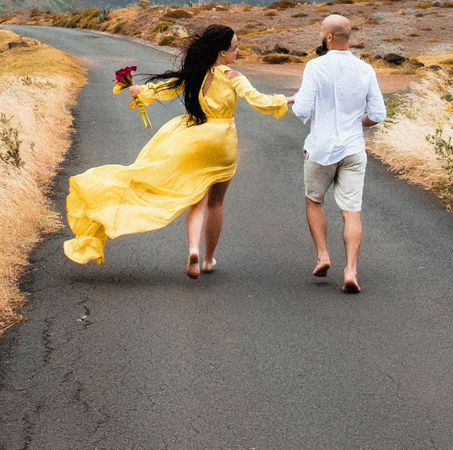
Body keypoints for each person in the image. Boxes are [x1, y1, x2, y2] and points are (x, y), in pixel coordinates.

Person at [62, 23, 293, 277]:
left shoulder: (195, 73)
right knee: (216, 203)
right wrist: (285, 100)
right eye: (235, 48)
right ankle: (207, 259)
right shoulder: (233, 77)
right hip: (223, 141)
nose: (238, 52)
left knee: (197, 200)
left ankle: (193, 248)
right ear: (222, 53)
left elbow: (168, 86)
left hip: (196, 138)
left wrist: (142, 91)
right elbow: (258, 100)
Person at [292, 12, 385, 294]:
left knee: (314, 201)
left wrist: (300, 104)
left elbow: (301, 110)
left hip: (321, 148)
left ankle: (323, 256)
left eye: (322, 31)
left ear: (329, 37)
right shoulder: (366, 70)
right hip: (354, 148)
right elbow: (378, 114)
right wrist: (355, 121)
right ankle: (351, 270)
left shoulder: (315, 67)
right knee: (352, 212)